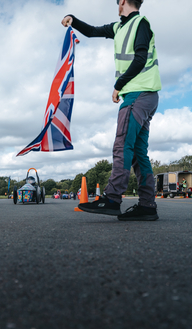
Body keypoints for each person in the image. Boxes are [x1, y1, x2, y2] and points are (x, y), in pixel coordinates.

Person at [66, 0, 161, 221]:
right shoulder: (119, 27)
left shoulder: (141, 24)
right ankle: (147, 206)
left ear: (124, 1)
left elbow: (139, 59)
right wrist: (73, 19)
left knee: (122, 145)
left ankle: (112, 199)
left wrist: (118, 85)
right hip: (144, 96)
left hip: (137, 94)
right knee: (137, 153)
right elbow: (91, 31)